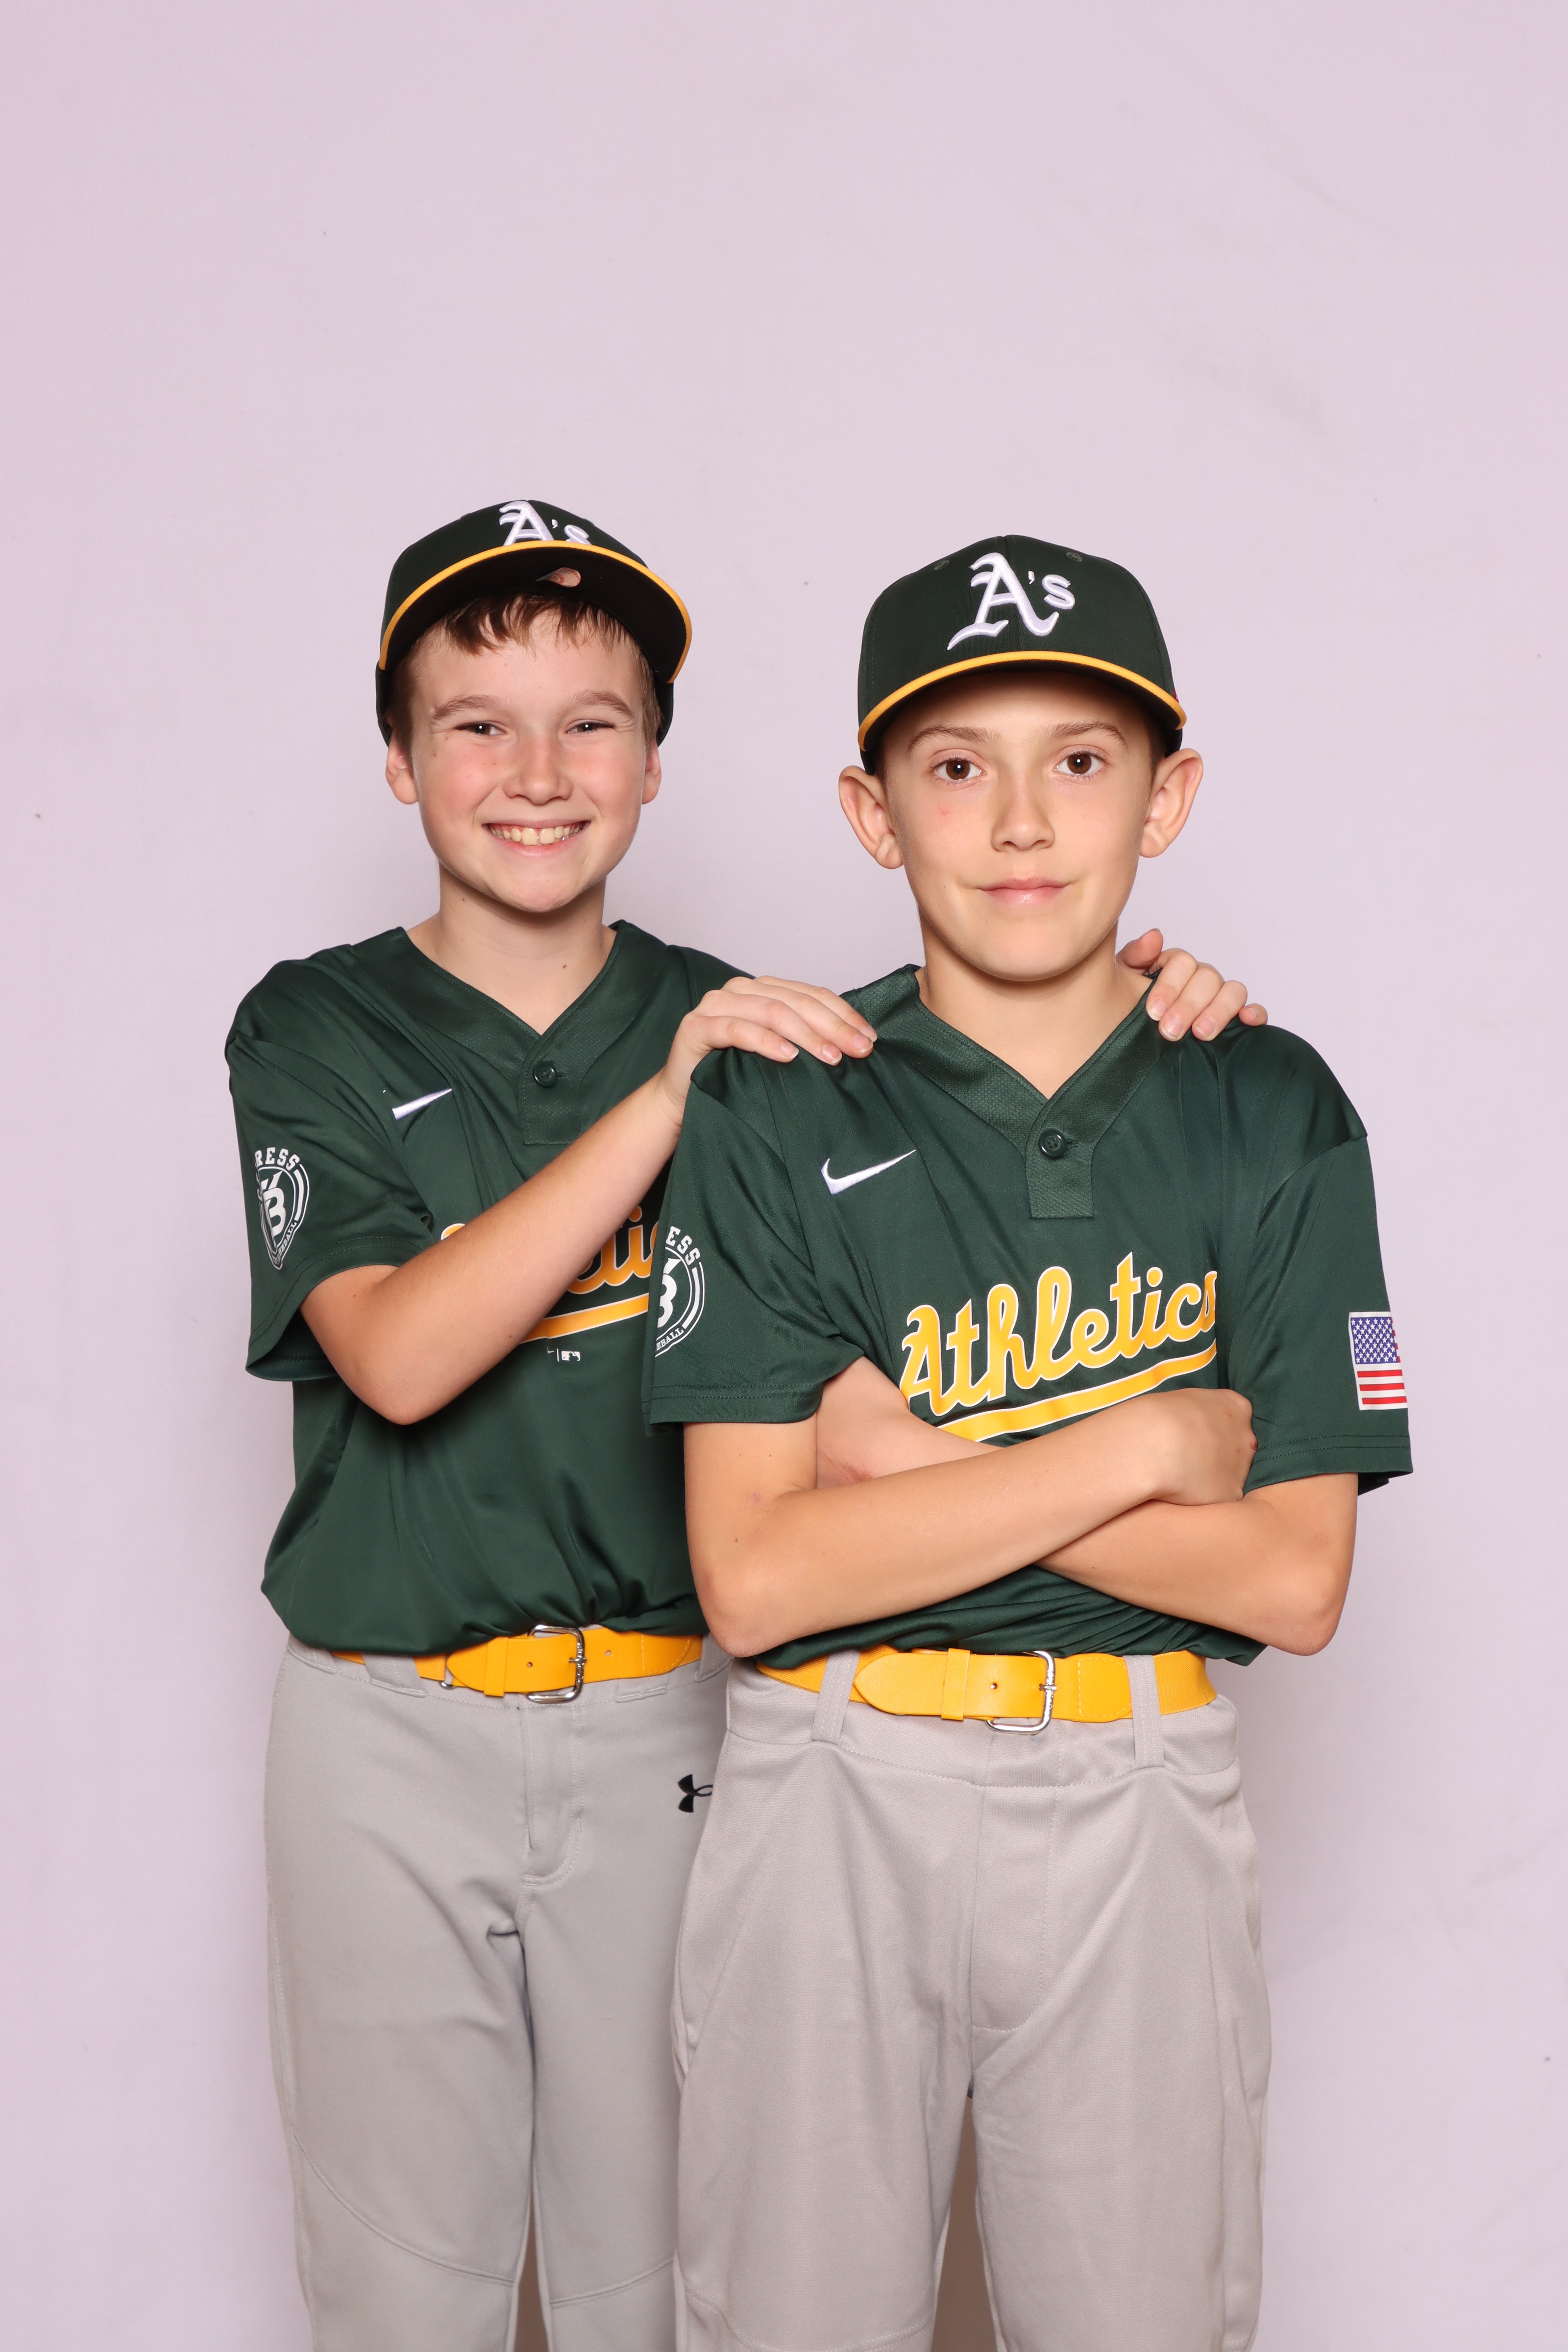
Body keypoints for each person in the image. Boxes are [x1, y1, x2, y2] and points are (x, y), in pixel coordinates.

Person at [227, 498, 1263, 2352]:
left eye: (594, 724)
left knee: (661, 2289)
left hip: (669, 1721)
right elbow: (395, 1359)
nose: (536, 774)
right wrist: (663, 1102)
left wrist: (1151, 1001)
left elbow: (882, 1374)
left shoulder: (755, 1031)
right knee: (399, 2295)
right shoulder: (323, 1024)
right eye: (475, 725)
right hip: (383, 1722)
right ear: (397, 758)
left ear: (654, 763)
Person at [647, 532, 1411, 2352]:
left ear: (1167, 797)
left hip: (1141, 1787)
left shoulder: (1273, 1103)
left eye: (1079, 760)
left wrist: (905, 1467)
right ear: (871, 811)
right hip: (831, 1781)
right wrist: (1142, 1444)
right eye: (954, 766)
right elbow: (753, 1578)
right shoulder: (775, 1097)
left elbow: (1294, 1583)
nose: (1018, 822)